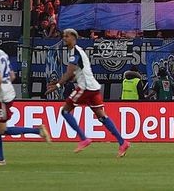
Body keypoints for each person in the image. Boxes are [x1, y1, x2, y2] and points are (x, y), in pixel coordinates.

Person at [47, 29, 130, 157]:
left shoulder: (75, 53)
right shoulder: (78, 51)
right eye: (63, 36)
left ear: (74, 38)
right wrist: (67, 79)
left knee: (65, 111)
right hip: (93, 87)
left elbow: (69, 73)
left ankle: (83, 138)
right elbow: (75, 73)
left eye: (67, 36)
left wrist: (57, 85)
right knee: (102, 116)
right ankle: (122, 142)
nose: (64, 38)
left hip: (85, 88)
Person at [0, 30, 49, 166]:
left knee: (0, 130)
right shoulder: (2, 53)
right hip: (2, 93)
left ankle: (37, 131)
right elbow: (12, 75)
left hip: (2, 96)